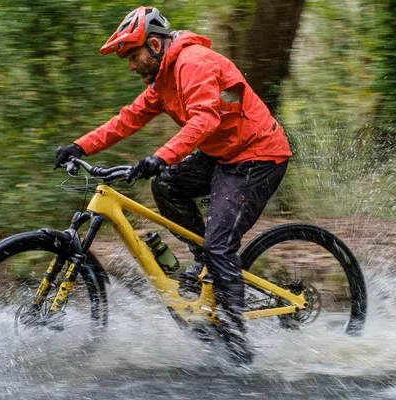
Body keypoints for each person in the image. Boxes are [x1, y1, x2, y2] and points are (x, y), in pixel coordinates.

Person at [53, 6, 291, 364]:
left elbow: (205, 119)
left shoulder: (193, 63)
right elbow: (127, 120)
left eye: (133, 56)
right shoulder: (162, 81)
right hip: (223, 153)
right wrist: (80, 146)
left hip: (257, 156)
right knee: (166, 185)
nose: (131, 66)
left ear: (153, 45)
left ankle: (236, 342)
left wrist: (162, 154)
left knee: (220, 244)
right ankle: (204, 260)